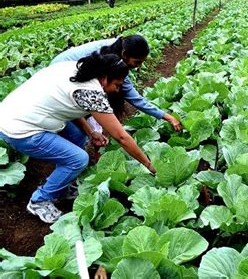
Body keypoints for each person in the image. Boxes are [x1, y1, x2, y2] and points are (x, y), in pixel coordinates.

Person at [0, 53, 157, 223]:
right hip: (20, 129)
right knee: (78, 159)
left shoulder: (80, 69)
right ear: (104, 78)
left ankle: (63, 185)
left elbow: (67, 103)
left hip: (21, 112)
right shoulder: (91, 92)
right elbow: (121, 136)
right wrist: (148, 164)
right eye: (117, 85)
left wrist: (91, 132)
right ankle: (40, 200)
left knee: (78, 136)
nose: (117, 90)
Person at [51, 35, 182, 131]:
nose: (137, 67)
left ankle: (90, 130)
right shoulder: (107, 58)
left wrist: (164, 116)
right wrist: (167, 117)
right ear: (125, 54)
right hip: (59, 72)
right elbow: (135, 98)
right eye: (136, 62)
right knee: (80, 114)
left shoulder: (119, 49)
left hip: (66, 69)